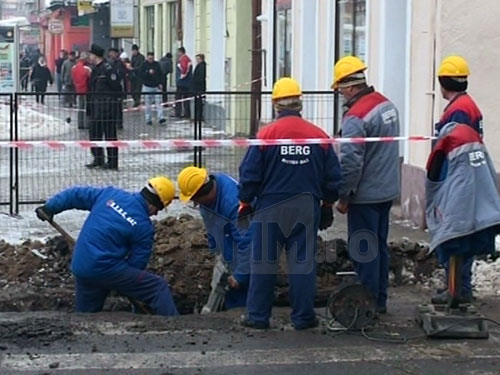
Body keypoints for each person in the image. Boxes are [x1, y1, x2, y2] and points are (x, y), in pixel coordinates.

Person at [238, 78, 341, 329]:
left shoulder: (267, 135)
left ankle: (257, 316)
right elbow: (333, 177)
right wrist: (327, 204)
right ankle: (304, 317)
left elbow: (249, 174)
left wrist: (244, 201)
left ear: (275, 105)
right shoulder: (318, 136)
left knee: (263, 262)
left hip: (270, 206)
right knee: (303, 263)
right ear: (300, 103)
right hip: (306, 206)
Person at [34, 177, 179, 316]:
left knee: (86, 315)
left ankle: (82, 335)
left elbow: (75, 194)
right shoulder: (143, 226)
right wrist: (125, 284)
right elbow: (138, 262)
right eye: (158, 209)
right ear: (154, 204)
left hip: (81, 264)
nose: (155, 214)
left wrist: (50, 207)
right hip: (104, 268)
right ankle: (176, 328)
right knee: (157, 287)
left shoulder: (110, 194)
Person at [332, 56, 400, 315]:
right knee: (379, 247)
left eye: (340, 90)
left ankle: (367, 304)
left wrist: (344, 195)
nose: (340, 95)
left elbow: (351, 162)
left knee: (364, 250)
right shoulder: (386, 104)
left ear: (349, 87)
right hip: (386, 191)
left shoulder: (356, 117)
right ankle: (379, 300)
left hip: (365, 195)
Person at [426, 122, 500, 305]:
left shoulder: (449, 146)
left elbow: (436, 180)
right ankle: (461, 291)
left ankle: (455, 293)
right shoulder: (474, 143)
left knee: (453, 245)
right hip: (480, 211)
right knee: (466, 249)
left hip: (459, 211)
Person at [431, 56, 484, 304]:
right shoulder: (467, 105)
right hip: (466, 178)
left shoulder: (458, 111)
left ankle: (458, 291)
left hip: (457, 180)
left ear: (443, 82)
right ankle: (460, 288)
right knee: (462, 234)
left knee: (455, 235)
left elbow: (453, 148)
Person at [177, 166, 251, 311]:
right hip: (231, 247)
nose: (196, 204)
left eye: (196, 200)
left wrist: (240, 275)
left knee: (244, 292)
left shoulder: (233, 204)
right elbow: (212, 224)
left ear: (204, 194)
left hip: (250, 251)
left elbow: (248, 242)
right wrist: (215, 249)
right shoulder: (210, 198)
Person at [87, 44, 122, 170]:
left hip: (107, 109)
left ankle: (112, 162)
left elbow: (117, 88)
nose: (89, 57)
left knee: (109, 136)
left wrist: (111, 102)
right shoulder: (95, 69)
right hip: (96, 108)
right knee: (94, 135)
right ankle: (98, 158)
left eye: (90, 54)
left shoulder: (108, 69)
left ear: (95, 55)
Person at [140, 52, 166, 126]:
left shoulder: (157, 64)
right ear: (147, 58)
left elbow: (161, 74)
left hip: (156, 86)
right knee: (148, 104)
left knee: (159, 103)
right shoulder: (144, 65)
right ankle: (148, 119)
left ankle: (161, 117)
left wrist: (161, 83)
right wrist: (148, 72)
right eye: (149, 58)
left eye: (152, 58)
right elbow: (141, 75)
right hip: (147, 86)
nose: (151, 60)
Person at [72, 52, 92, 130]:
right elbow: (91, 78)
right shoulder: (87, 69)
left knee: (80, 107)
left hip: (78, 89)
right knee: (87, 107)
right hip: (86, 90)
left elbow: (73, 79)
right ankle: (87, 124)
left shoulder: (74, 68)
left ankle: (80, 124)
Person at [108, 48, 126, 129]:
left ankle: (119, 123)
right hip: (110, 88)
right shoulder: (108, 63)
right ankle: (112, 122)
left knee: (118, 107)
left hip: (118, 88)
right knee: (111, 107)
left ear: (116, 54)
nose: (111, 55)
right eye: (110, 53)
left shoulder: (120, 63)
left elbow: (122, 75)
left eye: (112, 53)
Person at [175, 47, 193, 118]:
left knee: (179, 98)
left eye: (178, 52)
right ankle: (186, 113)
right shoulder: (187, 59)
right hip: (186, 83)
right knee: (185, 98)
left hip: (182, 83)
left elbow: (184, 69)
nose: (178, 54)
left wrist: (180, 78)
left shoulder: (184, 59)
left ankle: (178, 113)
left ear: (181, 52)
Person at [192, 54, 207, 121]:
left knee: (199, 103)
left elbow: (200, 77)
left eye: (198, 59)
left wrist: (195, 83)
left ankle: (198, 117)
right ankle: (197, 116)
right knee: (198, 102)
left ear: (201, 59)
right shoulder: (200, 65)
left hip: (199, 88)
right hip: (198, 87)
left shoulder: (201, 66)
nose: (196, 60)